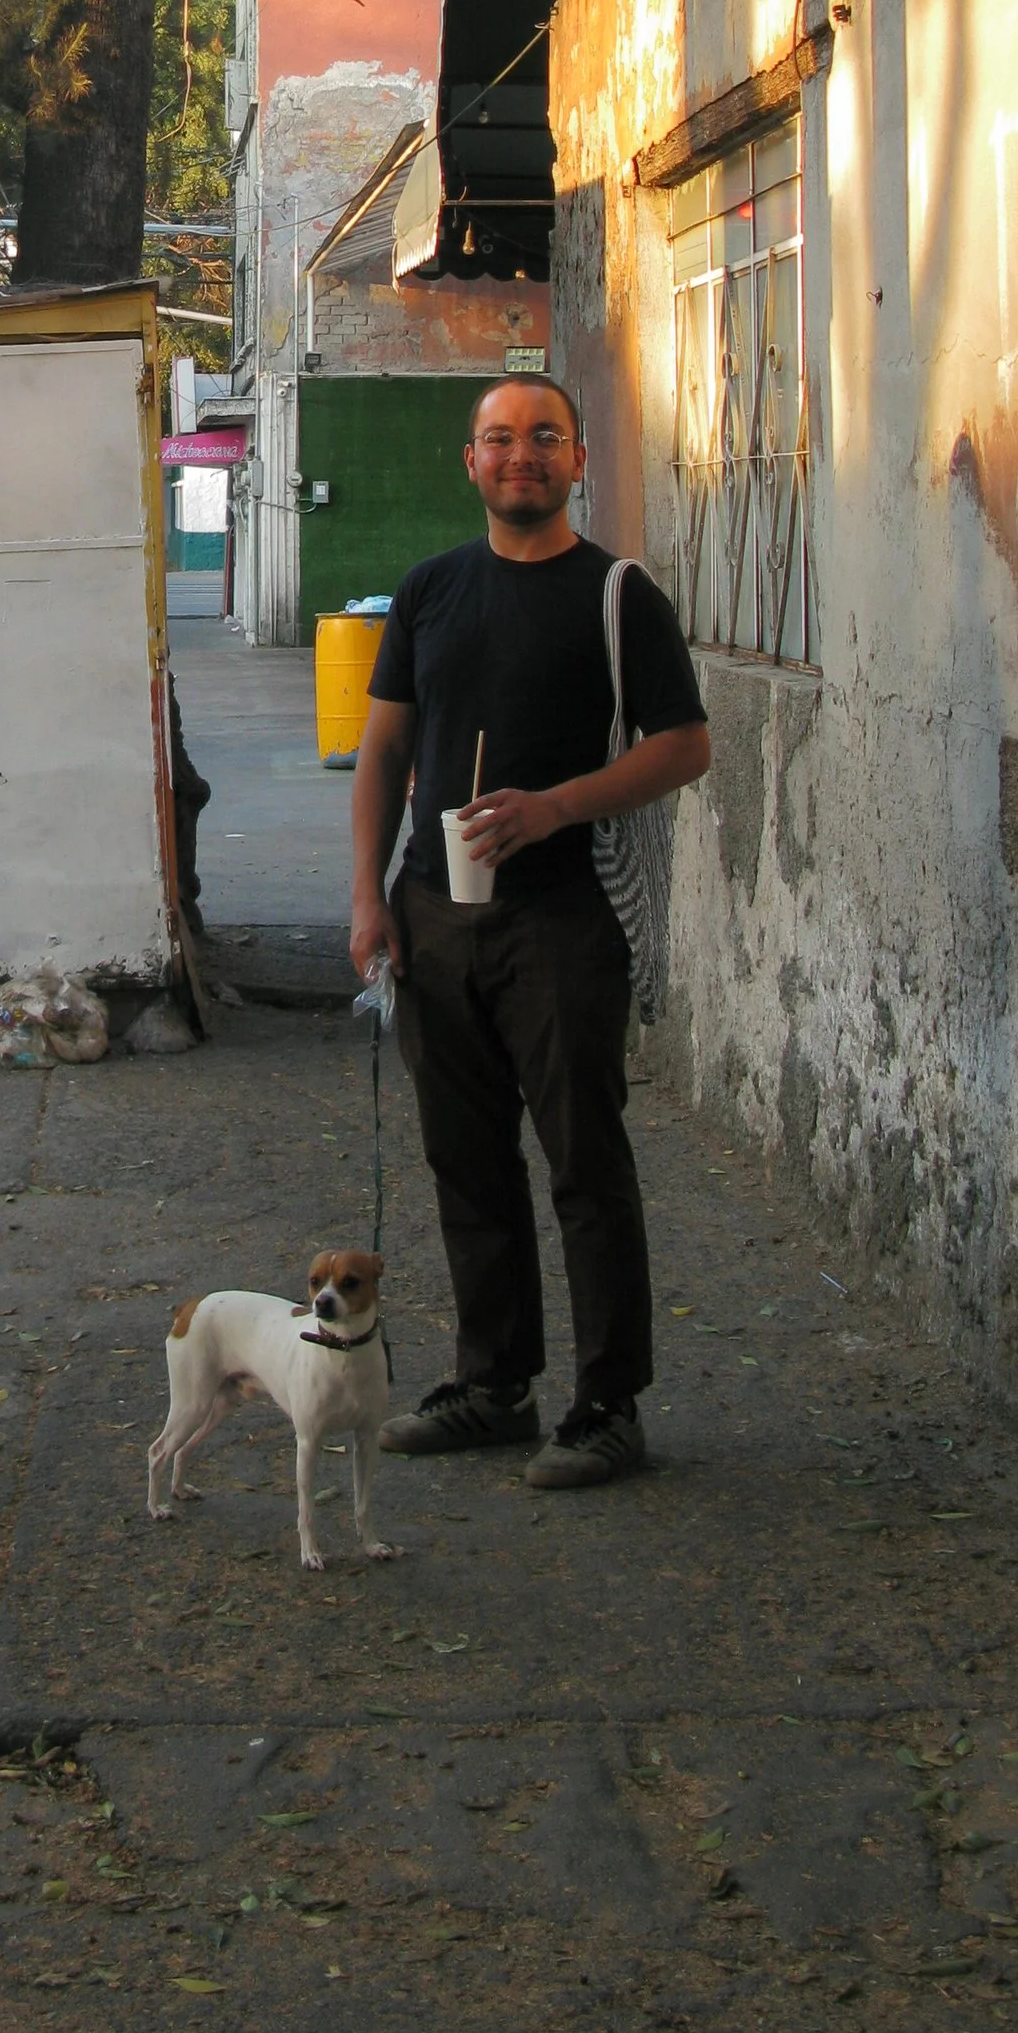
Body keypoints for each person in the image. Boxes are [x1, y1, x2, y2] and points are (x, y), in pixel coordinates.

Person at [348, 375, 710, 1490]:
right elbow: (383, 754)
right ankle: (493, 1387)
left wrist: (555, 805)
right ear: (470, 462)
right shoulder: (429, 592)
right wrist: (370, 898)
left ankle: (607, 1406)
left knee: (582, 1165)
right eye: (499, 439)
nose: (520, 456)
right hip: (434, 916)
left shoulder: (618, 596)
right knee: (465, 1160)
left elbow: (684, 745)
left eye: (542, 437)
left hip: (562, 918)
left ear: (577, 460)